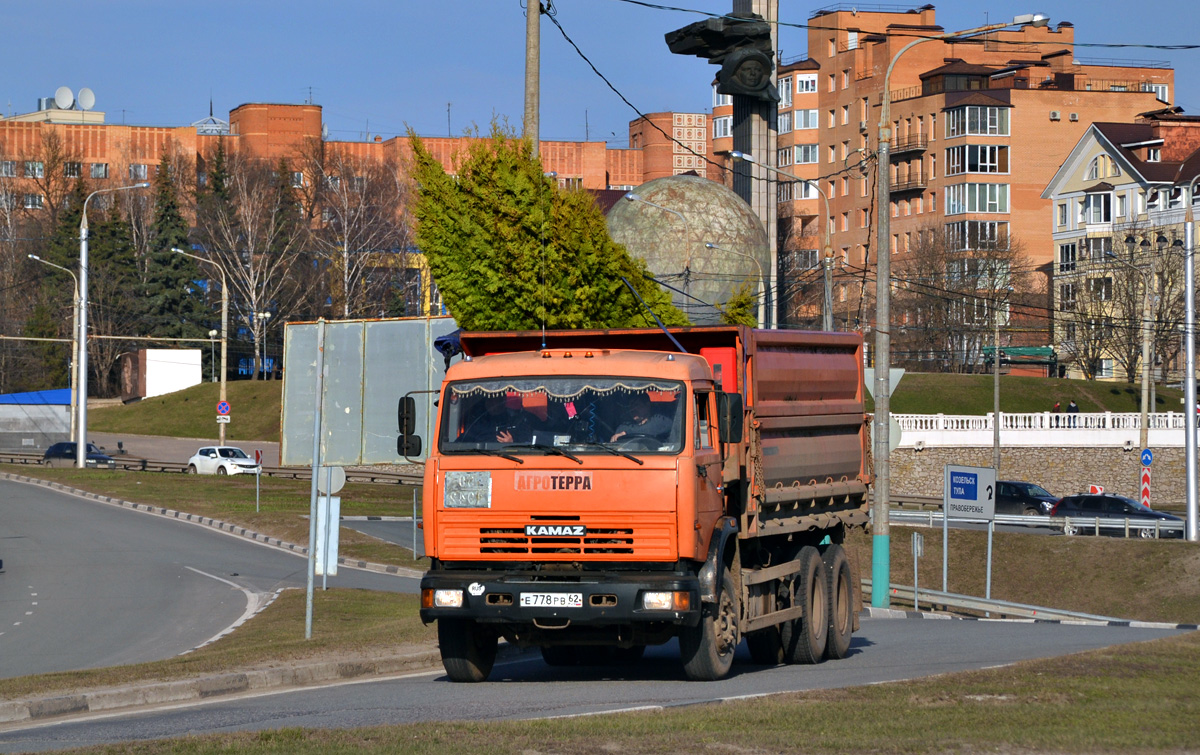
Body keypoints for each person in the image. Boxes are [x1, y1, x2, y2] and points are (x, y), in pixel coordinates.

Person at [458, 394, 536, 443]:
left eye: (494, 400)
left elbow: (530, 443)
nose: (491, 404)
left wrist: (512, 442)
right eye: (488, 400)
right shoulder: (480, 421)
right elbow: (462, 442)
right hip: (482, 461)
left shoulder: (517, 420)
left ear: (503, 400)